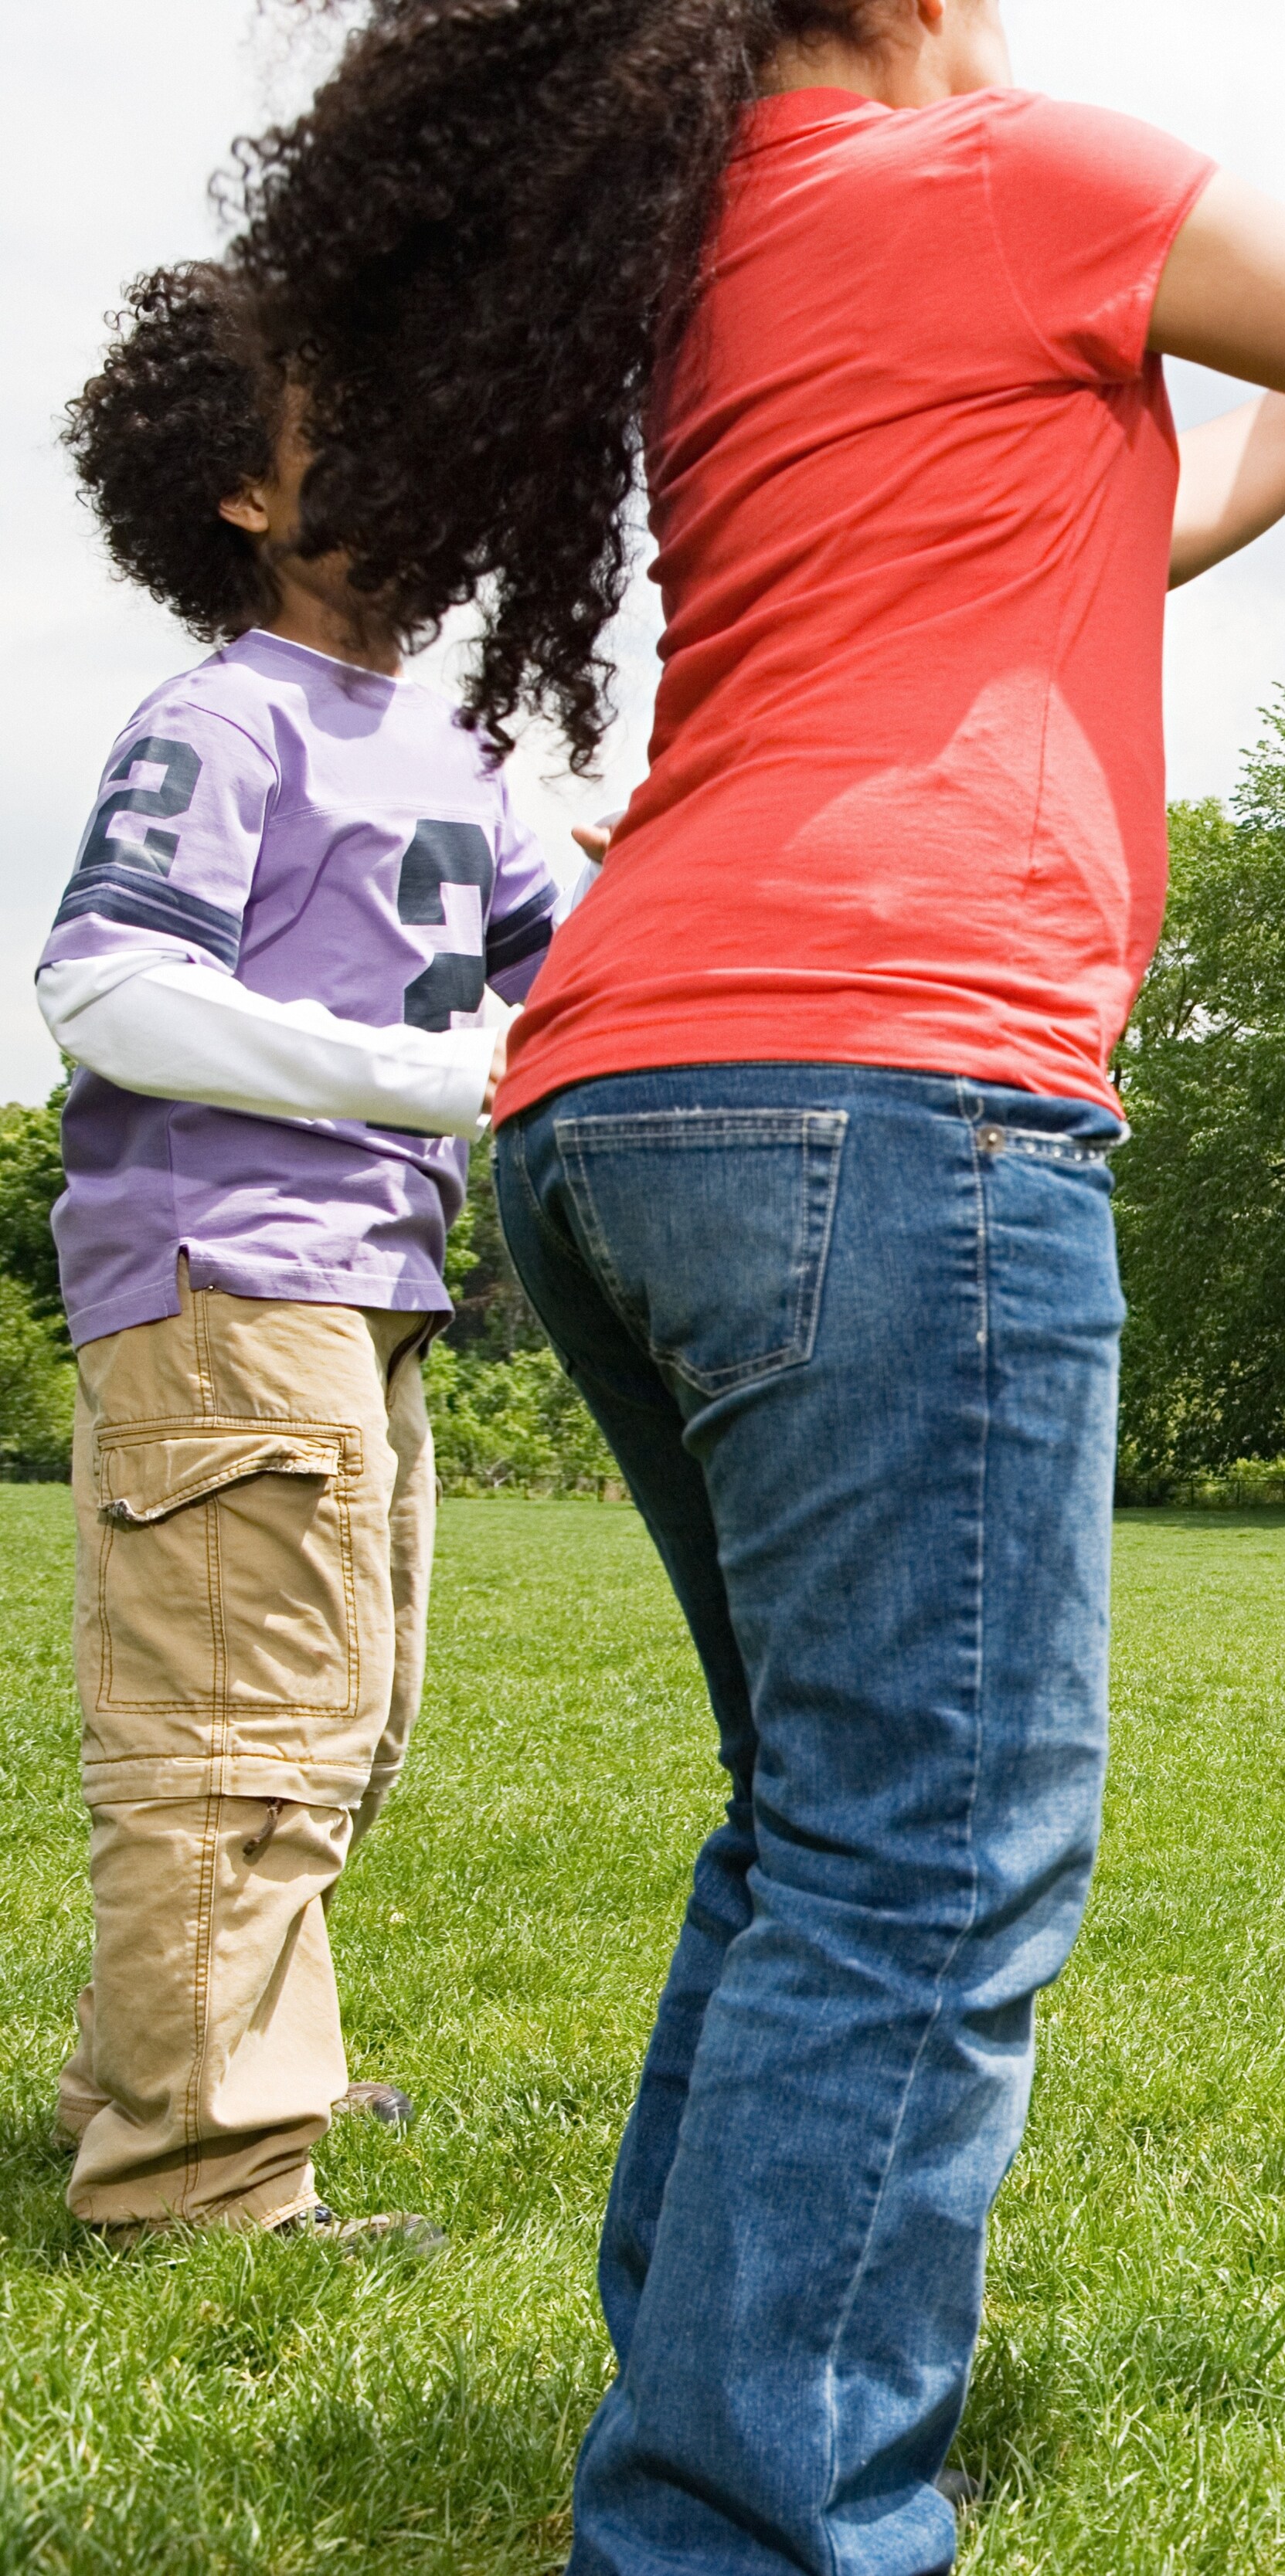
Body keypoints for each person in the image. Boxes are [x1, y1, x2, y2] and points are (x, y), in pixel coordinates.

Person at [215, 0, 1285, 2565]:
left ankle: (704, 2423)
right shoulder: (1013, 171)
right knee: (928, 1860)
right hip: (889, 1086)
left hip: (629, 1097)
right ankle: (750, 2515)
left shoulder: (740, 238)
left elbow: (1129, 528)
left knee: (823, 1830)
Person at [39, 263, 560, 2248]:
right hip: (224, 1273)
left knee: (334, 1711)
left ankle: (191, 2065)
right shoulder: (223, 717)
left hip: (365, 1293)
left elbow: (572, 979)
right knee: (241, 1727)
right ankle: (198, 2183)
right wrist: (414, 1077)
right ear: (241, 497)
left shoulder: (455, 747)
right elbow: (100, 983)